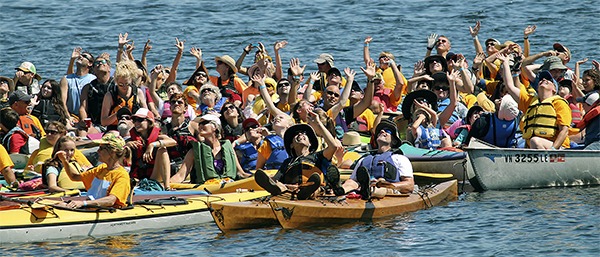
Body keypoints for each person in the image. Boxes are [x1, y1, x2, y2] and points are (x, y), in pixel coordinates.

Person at [254, 111, 344, 200]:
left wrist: (318, 123)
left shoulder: (318, 157)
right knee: (279, 185)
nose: (300, 134)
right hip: (290, 193)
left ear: (310, 143)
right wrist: (274, 182)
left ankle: (307, 191)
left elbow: (333, 146)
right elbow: (277, 178)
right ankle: (284, 190)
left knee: (315, 184)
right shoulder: (288, 162)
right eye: (296, 134)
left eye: (304, 134)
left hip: (315, 192)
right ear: (291, 145)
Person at [500, 54, 572, 149]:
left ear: (554, 89)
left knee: (535, 141)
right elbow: (510, 86)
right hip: (535, 148)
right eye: (542, 79)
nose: (544, 80)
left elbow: (564, 130)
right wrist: (505, 62)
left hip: (557, 149)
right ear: (537, 87)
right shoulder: (530, 101)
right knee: (532, 141)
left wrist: (553, 150)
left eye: (549, 80)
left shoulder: (559, 103)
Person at [341, 119, 414, 200]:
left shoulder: (400, 159)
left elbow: (409, 185)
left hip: (386, 191)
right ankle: (339, 190)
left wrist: (388, 185)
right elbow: (353, 180)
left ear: (393, 141)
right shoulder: (364, 159)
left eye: (387, 131)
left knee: (381, 183)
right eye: (379, 132)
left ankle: (369, 190)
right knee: (350, 182)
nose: (382, 131)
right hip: (361, 190)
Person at [170, 114, 249, 185]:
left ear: (215, 127)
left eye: (204, 123)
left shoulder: (229, 149)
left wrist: (253, 177)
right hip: (206, 192)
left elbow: (241, 173)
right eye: (199, 124)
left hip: (228, 189)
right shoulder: (194, 151)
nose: (200, 126)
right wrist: (166, 185)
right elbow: (180, 176)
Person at [58, 133, 131, 208]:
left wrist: (83, 203)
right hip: (92, 210)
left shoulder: (122, 175)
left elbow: (111, 200)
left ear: (112, 152)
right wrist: (65, 161)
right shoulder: (100, 169)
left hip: (108, 214)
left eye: (101, 148)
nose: (98, 151)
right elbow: (74, 177)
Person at [126, 108, 175, 190]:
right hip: (138, 178)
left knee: (162, 150)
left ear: (149, 122)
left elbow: (173, 141)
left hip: (154, 176)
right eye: (134, 120)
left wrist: (152, 145)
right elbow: (116, 150)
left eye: (140, 120)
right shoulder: (131, 141)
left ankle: (167, 187)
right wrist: (126, 147)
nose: (136, 123)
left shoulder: (158, 137)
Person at [26, 121, 91, 175]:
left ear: (63, 133)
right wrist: (30, 170)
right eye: (47, 131)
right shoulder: (37, 152)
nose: (49, 134)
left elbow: (88, 167)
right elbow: (26, 171)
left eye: (53, 132)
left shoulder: (72, 151)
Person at [100, 60, 148, 131]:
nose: (124, 87)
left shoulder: (138, 92)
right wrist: (118, 114)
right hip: (115, 129)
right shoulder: (109, 95)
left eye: (127, 84)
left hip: (134, 128)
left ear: (131, 80)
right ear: (116, 82)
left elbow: (146, 114)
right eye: (121, 85)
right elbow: (103, 122)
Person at [79, 52, 115, 135]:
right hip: (95, 125)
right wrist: (85, 121)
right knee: (82, 132)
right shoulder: (88, 87)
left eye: (102, 62)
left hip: (113, 124)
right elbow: (82, 108)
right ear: (93, 69)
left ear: (109, 68)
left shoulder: (116, 85)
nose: (99, 64)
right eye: (96, 63)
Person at [60, 48, 97, 120]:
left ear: (90, 63)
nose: (80, 57)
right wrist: (68, 117)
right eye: (80, 55)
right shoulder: (66, 79)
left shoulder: (93, 79)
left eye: (84, 56)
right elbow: (62, 102)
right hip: (71, 116)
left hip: (88, 117)